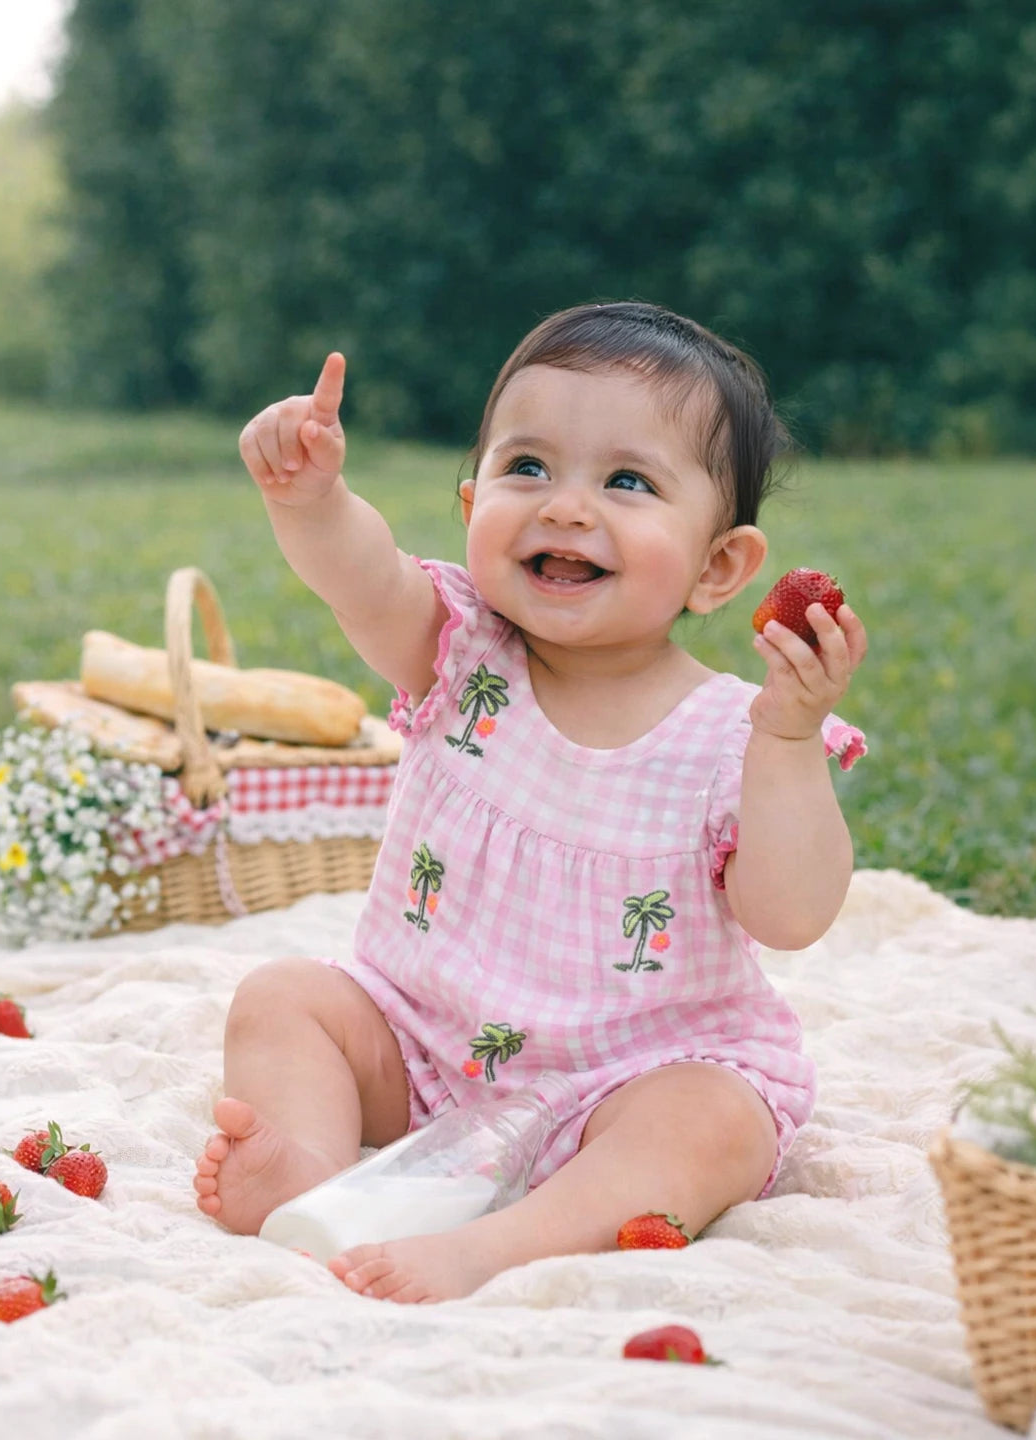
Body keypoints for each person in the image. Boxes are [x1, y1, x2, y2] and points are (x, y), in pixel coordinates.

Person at [192, 301, 868, 1303]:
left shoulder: (737, 732)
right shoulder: (461, 652)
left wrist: (787, 739)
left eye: (627, 482)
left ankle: (509, 1242)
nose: (565, 506)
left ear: (720, 566)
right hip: (419, 1046)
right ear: (471, 507)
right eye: (528, 468)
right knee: (283, 999)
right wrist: (312, 500)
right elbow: (362, 578)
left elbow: (794, 915)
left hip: (622, 1084)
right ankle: (321, 1177)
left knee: (712, 1121)